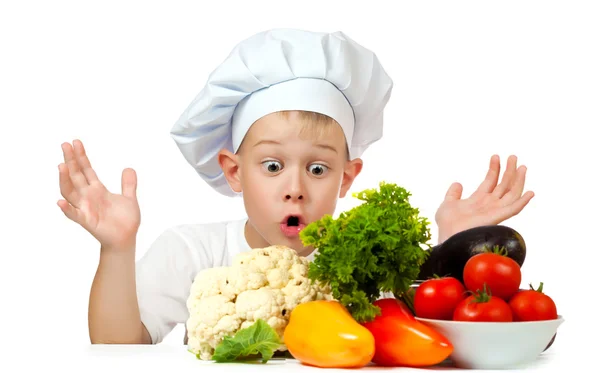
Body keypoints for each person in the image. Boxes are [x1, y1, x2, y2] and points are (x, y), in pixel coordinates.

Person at [57, 29, 534, 345]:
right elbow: (117, 351)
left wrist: (452, 249)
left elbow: (436, 341)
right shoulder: (193, 250)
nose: (295, 188)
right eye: (271, 165)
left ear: (348, 178)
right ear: (234, 171)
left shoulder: (368, 262)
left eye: (319, 169)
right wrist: (116, 250)